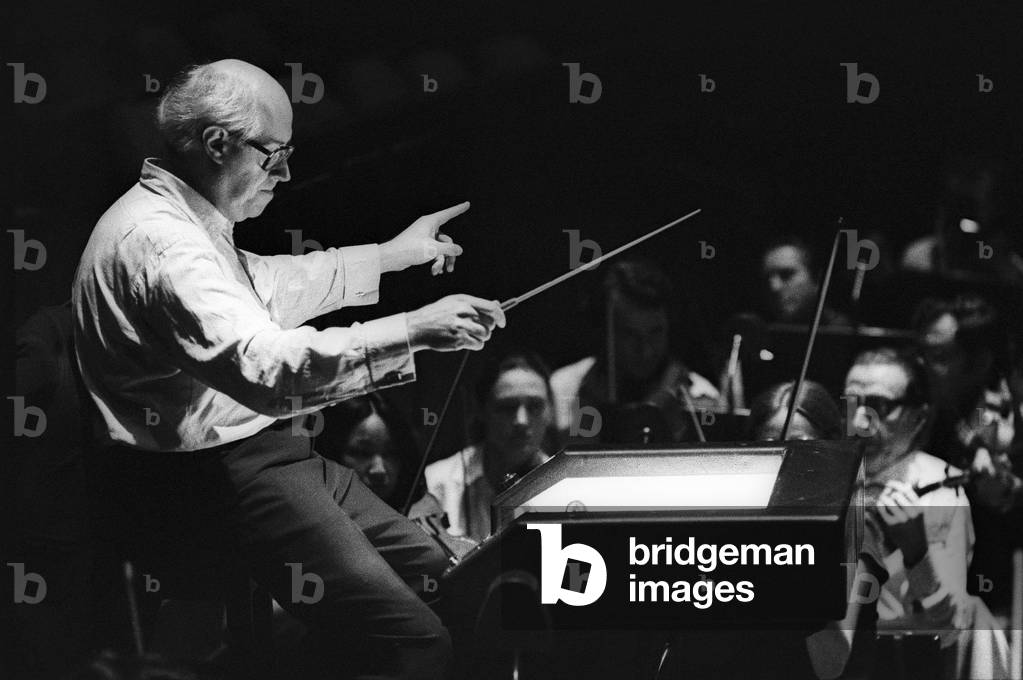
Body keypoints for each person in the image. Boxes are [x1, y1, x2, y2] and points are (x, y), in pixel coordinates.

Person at [72, 59, 507, 680]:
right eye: (273, 153)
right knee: (417, 645)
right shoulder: (162, 245)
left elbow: (268, 285)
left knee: (461, 586)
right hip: (216, 483)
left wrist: (393, 256)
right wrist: (415, 330)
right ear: (218, 143)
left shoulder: (185, 222)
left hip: (274, 458)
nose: (285, 171)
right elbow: (266, 371)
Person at [844, 348, 1010, 679]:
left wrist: (917, 552)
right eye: (850, 403)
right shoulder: (829, 477)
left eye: (880, 406)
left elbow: (948, 623)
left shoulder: (942, 489)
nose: (860, 422)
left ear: (918, 417)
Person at [550, 259, 718, 444]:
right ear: (604, 332)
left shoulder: (701, 396)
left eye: (655, 333)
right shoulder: (562, 389)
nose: (645, 351)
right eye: (629, 335)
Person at [426, 351, 556, 542]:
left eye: (535, 406)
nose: (521, 421)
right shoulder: (436, 482)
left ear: (551, 412)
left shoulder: (568, 487)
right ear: (481, 410)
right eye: (507, 407)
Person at [760, 235, 850, 326]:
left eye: (786, 274)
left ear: (818, 280)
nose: (774, 287)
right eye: (767, 279)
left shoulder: (848, 333)